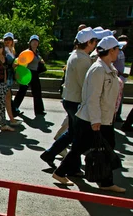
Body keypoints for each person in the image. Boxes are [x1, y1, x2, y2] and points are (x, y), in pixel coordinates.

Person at [52, 36, 125, 193]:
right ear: (110, 51)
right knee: (95, 147)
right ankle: (105, 181)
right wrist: (96, 121)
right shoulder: (98, 70)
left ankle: (61, 173)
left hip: (101, 118)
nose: (119, 52)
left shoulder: (108, 68)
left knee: (89, 147)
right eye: (117, 49)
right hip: (92, 119)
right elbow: (93, 97)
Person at [40, 27, 100, 169]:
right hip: (75, 101)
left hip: (70, 99)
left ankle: (50, 154)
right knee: (78, 136)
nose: (96, 44)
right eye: (94, 41)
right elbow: (84, 84)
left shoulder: (77, 55)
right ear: (89, 42)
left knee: (73, 133)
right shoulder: (82, 60)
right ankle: (71, 167)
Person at [12, 35, 46, 117]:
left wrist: (41, 61)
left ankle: (39, 110)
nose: (34, 43)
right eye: (33, 41)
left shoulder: (37, 53)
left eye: (36, 41)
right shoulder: (27, 52)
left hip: (35, 74)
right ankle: (14, 109)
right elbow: (20, 62)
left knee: (37, 92)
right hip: (27, 73)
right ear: (30, 43)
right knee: (21, 92)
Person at [114, 35, 128, 122]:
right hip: (117, 77)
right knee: (116, 98)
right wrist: (121, 73)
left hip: (121, 78)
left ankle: (118, 114)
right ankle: (116, 115)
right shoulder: (116, 52)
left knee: (120, 98)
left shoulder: (122, 52)